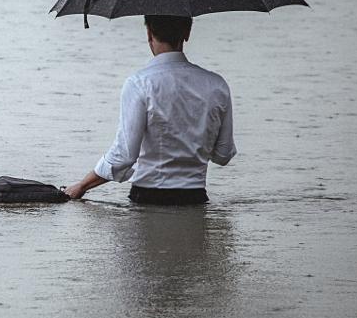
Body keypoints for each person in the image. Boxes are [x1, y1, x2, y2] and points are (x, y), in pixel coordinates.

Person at [63, 15, 236, 205]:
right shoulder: (216, 85)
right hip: (195, 198)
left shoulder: (139, 83)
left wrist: (81, 185)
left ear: (148, 33)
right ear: (187, 33)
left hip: (149, 197)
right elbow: (223, 155)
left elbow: (124, 156)